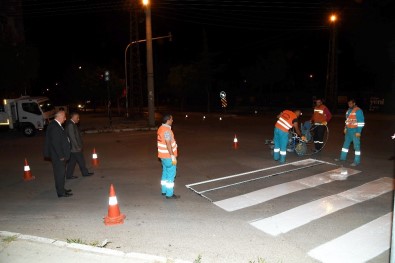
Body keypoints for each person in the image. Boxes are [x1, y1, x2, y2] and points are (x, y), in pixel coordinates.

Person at [44, 110, 72, 198]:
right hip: (58, 156)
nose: (65, 119)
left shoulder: (56, 125)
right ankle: (61, 192)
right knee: (59, 174)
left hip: (59, 156)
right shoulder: (54, 127)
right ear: (59, 117)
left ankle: (62, 189)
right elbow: (55, 143)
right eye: (64, 117)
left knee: (61, 174)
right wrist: (61, 156)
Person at [335, 99, 365, 166]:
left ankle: (357, 161)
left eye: (351, 104)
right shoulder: (348, 111)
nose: (350, 105)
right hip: (348, 130)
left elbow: (361, 122)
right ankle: (342, 158)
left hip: (355, 131)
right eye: (349, 104)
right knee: (345, 145)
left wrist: (358, 131)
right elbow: (347, 121)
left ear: (354, 103)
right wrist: (345, 128)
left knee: (356, 146)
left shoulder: (358, 111)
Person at [65, 112, 94, 179]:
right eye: (77, 117)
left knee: (72, 162)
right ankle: (85, 173)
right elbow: (72, 137)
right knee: (81, 161)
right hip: (75, 148)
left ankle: (69, 175)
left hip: (73, 148)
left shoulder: (72, 124)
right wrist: (77, 147)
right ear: (74, 117)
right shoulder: (70, 125)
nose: (78, 119)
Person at [157, 114, 179, 199]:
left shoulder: (160, 128)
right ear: (168, 120)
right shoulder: (166, 131)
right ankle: (169, 194)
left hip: (162, 156)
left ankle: (164, 190)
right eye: (171, 119)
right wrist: (172, 156)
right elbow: (168, 143)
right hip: (168, 157)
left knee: (165, 173)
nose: (172, 121)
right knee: (171, 175)